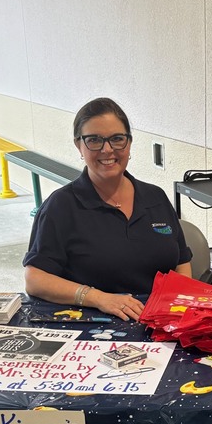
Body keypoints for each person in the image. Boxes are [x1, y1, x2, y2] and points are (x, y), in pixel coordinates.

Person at [23, 97, 192, 320]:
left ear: (129, 143)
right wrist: (98, 298)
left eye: (117, 139)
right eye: (94, 140)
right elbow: (35, 279)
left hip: (161, 321)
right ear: (79, 145)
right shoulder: (61, 206)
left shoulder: (155, 197)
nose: (107, 149)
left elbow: (181, 262)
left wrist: (178, 305)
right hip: (94, 326)